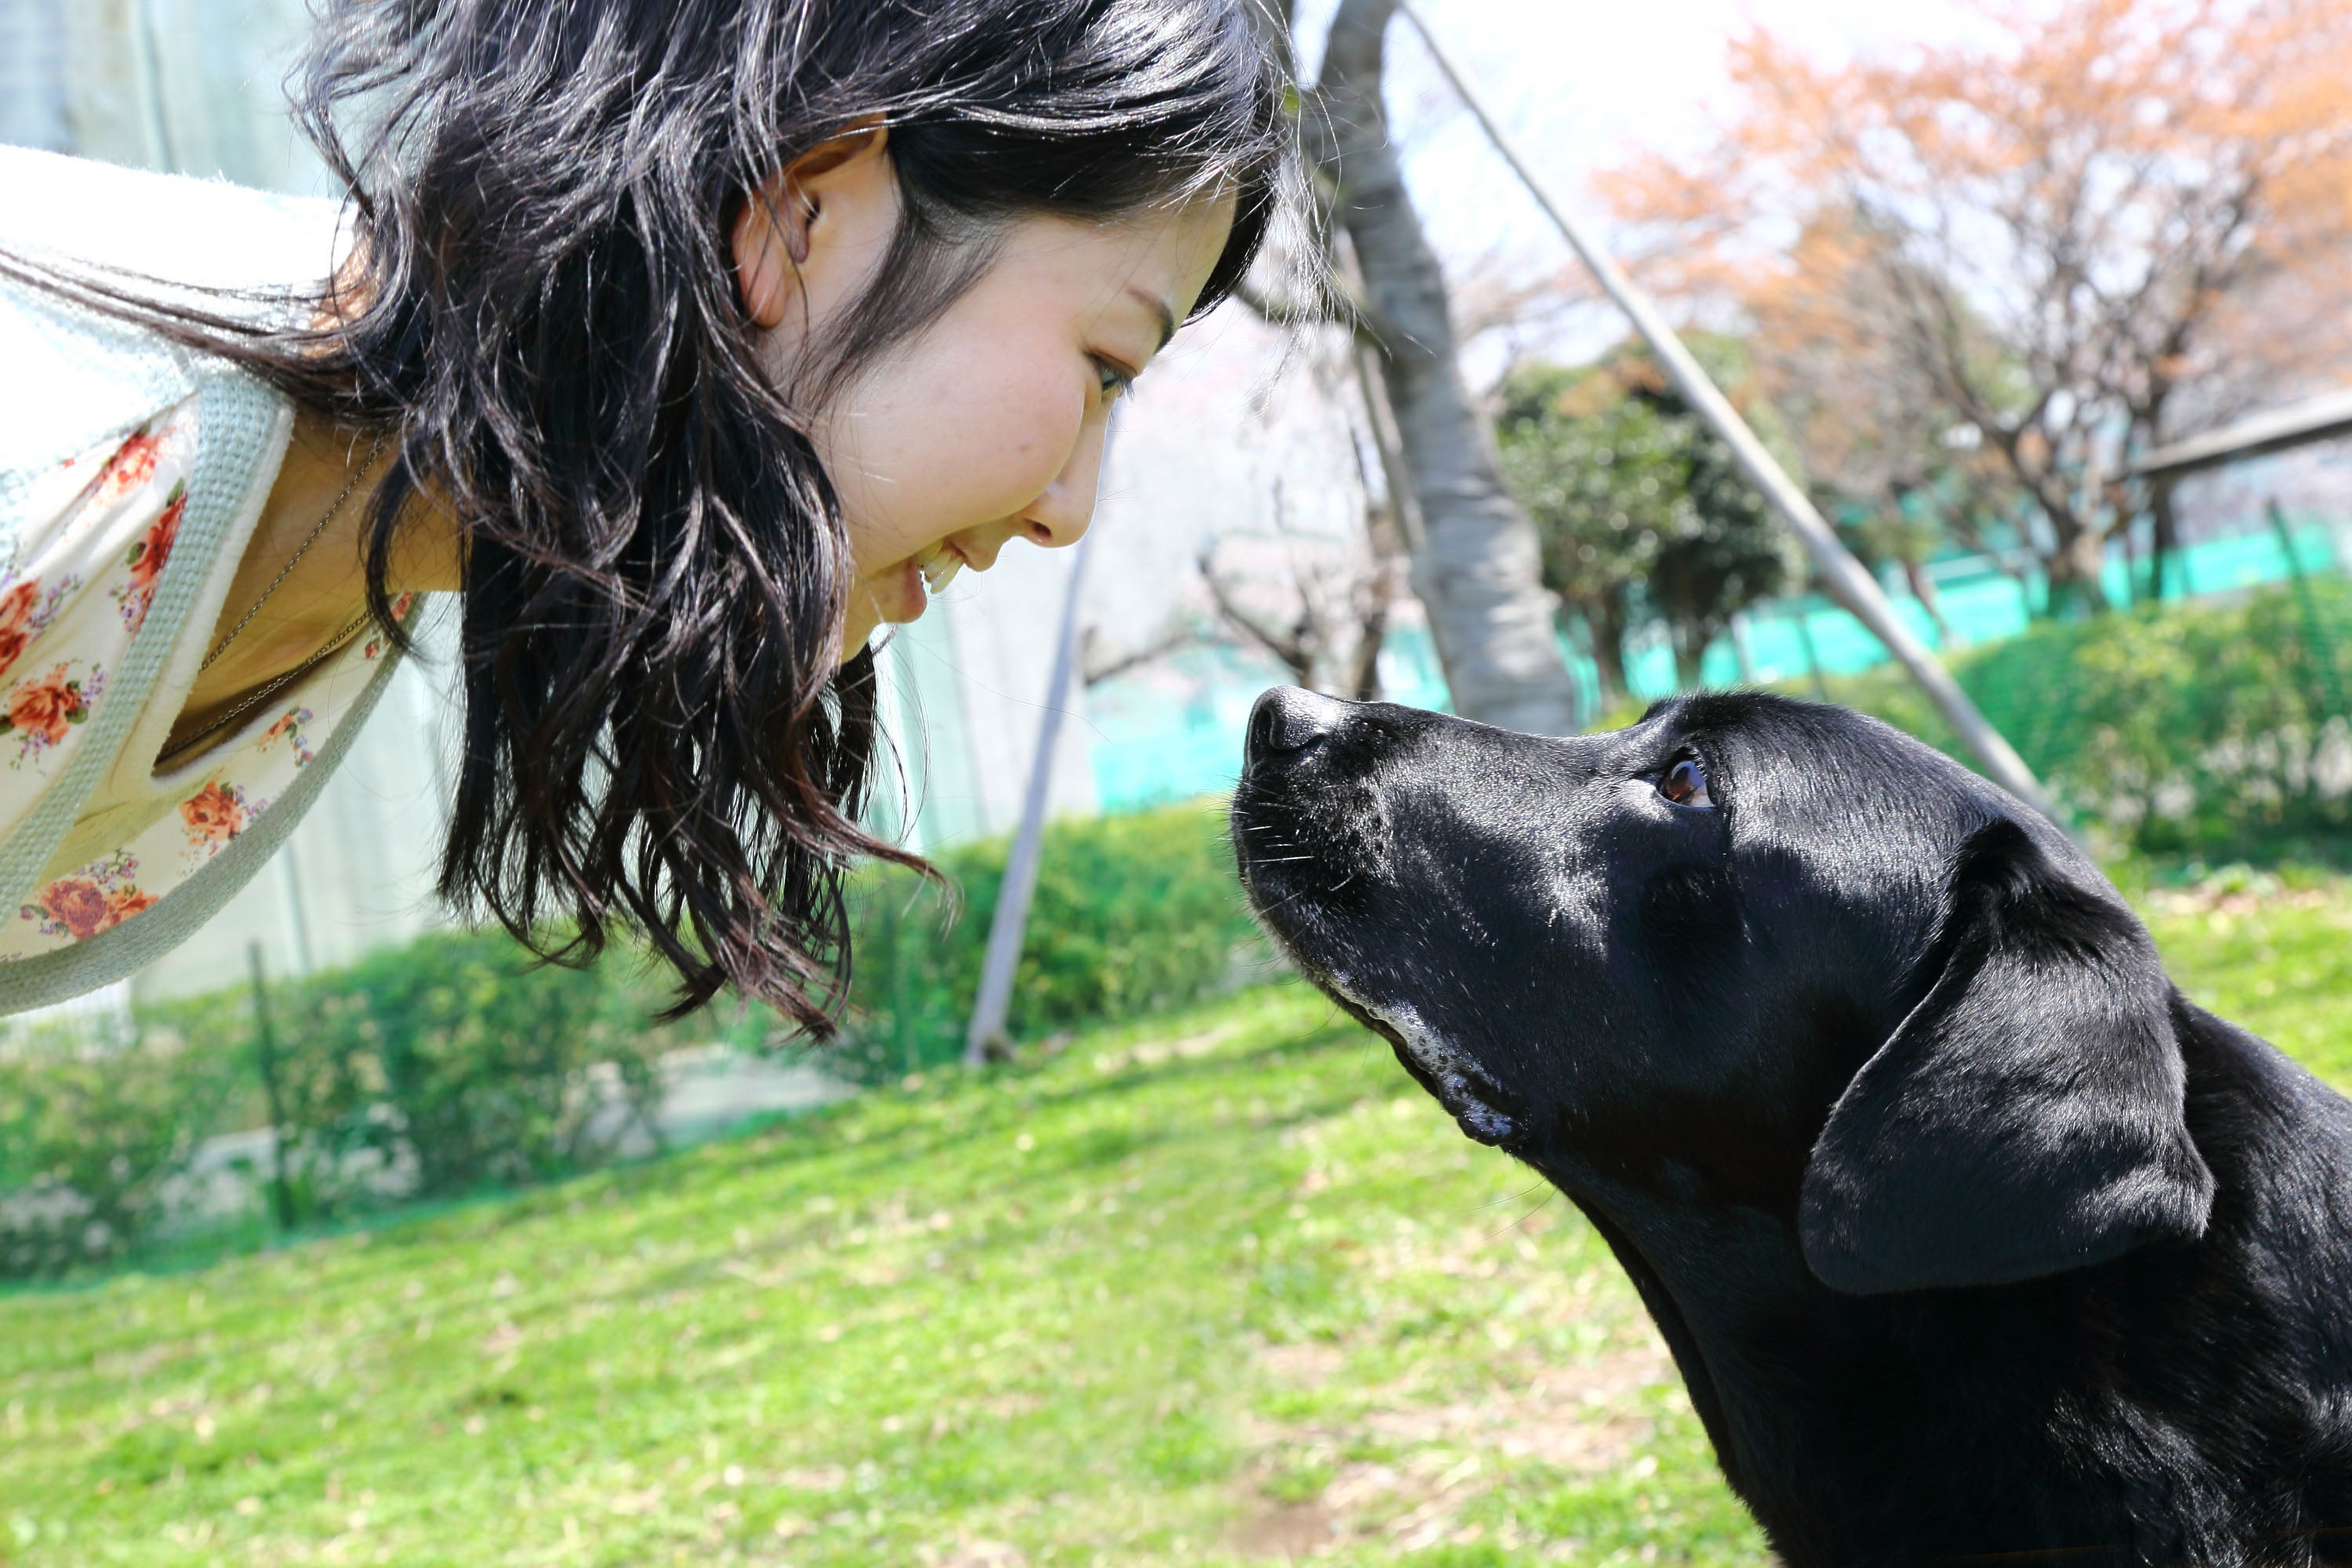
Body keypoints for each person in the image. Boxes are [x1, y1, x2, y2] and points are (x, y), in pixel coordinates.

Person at [0, 0, 1289, 1025]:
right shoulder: (60, 440)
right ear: (801, 209)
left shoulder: (350, 532)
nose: (1069, 511)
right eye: (1106, 366)